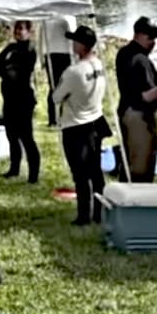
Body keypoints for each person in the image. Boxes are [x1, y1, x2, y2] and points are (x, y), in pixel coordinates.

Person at [114, 16, 157, 183]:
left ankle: (126, 198)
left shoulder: (125, 53)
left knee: (130, 160)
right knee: (140, 166)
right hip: (139, 117)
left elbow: (134, 82)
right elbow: (146, 96)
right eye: (150, 37)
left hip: (127, 110)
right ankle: (137, 201)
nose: (153, 42)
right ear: (139, 34)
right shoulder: (140, 60)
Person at [54, 25, 109, 226]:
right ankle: (99, 212)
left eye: (75, 41)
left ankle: (84, 215)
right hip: (95, 120)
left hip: (75, 125)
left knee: (80, 174)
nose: (72, 44)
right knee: (96, 172)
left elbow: (56, 97)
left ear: (81, 46)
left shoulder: (73, 72)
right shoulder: (99, 66)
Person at [0, 21, 40, 183]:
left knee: (26, 136)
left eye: (23, 29)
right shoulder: (10, 48)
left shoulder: (30, 49)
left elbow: (21, 71)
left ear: (29, 31)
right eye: (17, 29)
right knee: (11, 134)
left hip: (24, 98)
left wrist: (8, 69)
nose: (20, 32)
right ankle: (14, 169)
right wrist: (8, 70)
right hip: (9, 97)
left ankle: (33, 175)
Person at [42, 16, 76, 127]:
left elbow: (40, 38)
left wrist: (42, 57)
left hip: (53, 54)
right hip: (61, 54)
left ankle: (55, 119)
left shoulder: (48, 17)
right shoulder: (68, 18)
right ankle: (58, 118)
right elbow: (73, 38)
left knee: (55, 87)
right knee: (59, 87)